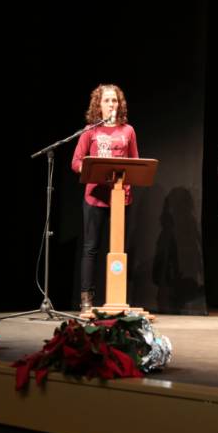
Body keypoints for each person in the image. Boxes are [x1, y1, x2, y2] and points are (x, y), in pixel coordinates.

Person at [71, 84, 139, 314]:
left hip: (120, 197)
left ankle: (116, 299)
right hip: (95, 197)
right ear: (98, 105)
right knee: (91, 248)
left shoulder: (128, 131)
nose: (111, 104)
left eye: (114, 100)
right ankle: (86, 300)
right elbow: (76, 162)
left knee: (118, 248)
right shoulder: (90, 131)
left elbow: (136, 163)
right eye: (107, 100)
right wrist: (91, 170)